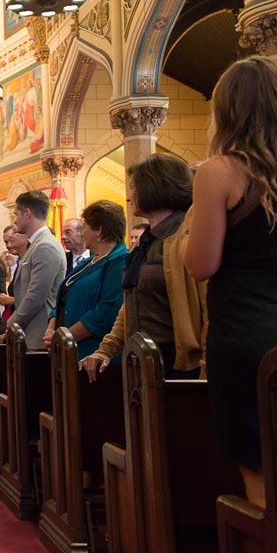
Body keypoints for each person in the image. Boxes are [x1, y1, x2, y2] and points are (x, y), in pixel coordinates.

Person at [184, 56, 277, 507]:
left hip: (249, 334)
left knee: (263, 479)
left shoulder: (220, 171)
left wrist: (189, 230)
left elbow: (201, 264)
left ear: (228, 110)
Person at [80, 154, 205, 383]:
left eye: (133, 188)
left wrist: (205, 375)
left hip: (177, 367)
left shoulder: (185, 235)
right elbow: (131, 302)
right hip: (142, 363)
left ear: (153, 188)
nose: (129, 197)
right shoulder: (146, 240)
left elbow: (207, 308)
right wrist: (106, 349)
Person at [42, 201, 128, 359]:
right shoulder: (90, 261)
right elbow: (64, 297)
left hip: (92, 354)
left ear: (99, 231)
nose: (82, 234)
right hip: (68, 348)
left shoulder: (120, 260)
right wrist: (51, 329)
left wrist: (65, 337)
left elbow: (105, 313)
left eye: (85, 227)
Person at [1, 191, 67, 349]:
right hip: (30, 333)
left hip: (39, 336)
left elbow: (35, 296)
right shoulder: (37, 245)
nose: (15, 220)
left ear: (27, 213)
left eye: (16, 214)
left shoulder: (45, 246)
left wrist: (11, 324)